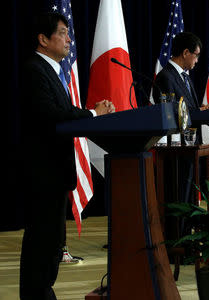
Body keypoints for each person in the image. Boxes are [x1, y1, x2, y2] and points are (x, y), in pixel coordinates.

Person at [19, 12, 114, 300]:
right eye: (62, 33)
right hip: (43, 173)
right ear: (43, 39)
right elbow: (52, 116)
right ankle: (37, 294)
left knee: (52, 241)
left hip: (55, 173)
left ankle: (42, 291)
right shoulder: (35, 70)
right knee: (42, 240)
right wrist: (94, 113)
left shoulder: (53, 71)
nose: (69, 39)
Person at [152, 32, 209, 243]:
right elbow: (171, 113)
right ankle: (174, 241)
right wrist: (196, 112)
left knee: (188, 195)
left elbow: (188, 110)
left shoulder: (184, 77)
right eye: (196, 55)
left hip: (190, 145)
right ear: (185, 52)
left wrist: (201, 110)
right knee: (177, 195)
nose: (197, 60)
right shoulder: (166, 77)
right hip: (176, 148)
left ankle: (186, 240)